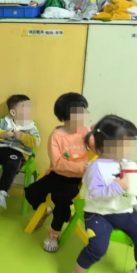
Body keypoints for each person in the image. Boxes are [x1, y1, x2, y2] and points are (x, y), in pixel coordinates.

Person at [67, 115, 137, 273]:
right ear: (106, 145)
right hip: (99, 213)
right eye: (125, 144)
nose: (130, 149)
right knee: (98, 247)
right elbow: (95, 194)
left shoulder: (126, 161)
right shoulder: (95, 168)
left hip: (125, 211)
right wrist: (117, 187)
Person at [25, 92, 92, 252]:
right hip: (57, 174)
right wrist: (82, 167)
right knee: (32, 192)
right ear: (66, 117)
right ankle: (45, 211)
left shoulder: (85, 131)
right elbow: (57, 163)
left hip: (76, 179)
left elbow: (97, 147)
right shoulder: (56, 136)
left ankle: (54, 232)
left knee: (61, 200)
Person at [0, 95, 40, 210]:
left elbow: (36, 142)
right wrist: (4, 134)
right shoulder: (5, 121)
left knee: (12, 165)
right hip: (0, 149)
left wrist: (22, 136)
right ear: (13, 112)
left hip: (17, 152)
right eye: (24, 108)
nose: (28, 111)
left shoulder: (30, 126)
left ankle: (2, 191)